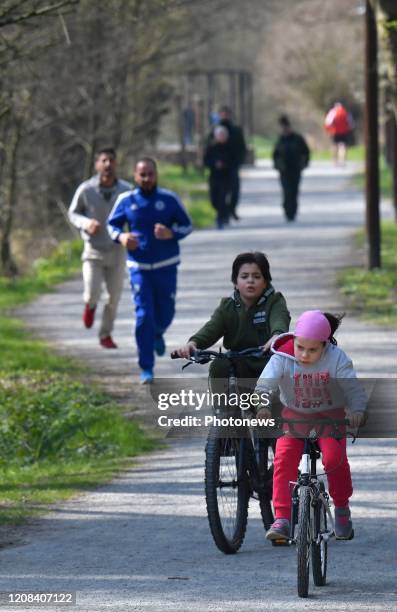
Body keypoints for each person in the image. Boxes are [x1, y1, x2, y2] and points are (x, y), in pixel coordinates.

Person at [254, 310, 367, 541]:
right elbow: (264, 386)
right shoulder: (282, 357)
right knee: (283, 459)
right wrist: (262, 406)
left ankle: (342, 509)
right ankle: (283, 518)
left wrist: (357, 411)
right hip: (295, 418)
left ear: (325, 345)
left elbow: (354, 389)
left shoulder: (337, 359)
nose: (304, 354)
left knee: (334, 460)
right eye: (300, 347)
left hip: (330, 418)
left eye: (313, 349)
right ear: (294, 340)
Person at [107, 157, 192, 384]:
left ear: (156, 175)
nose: (146, 179)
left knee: (166, 313)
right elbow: (111, 225)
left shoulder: (169, 199)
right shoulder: (126, 200)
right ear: (135, 176)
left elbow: (187, 225)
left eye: (150, 174)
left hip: (166, 266)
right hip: (139, 268)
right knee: (144, 315)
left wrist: (170, 233)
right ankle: (146, 367)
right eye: (142, 175)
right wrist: (122, 236)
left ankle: (157, 333)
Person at [174, 252, 290, 394]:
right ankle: (222, 412)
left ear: (266, 282)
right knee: (218, 365)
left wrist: (277, 336)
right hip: (237, 360)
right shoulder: (227, 306)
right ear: (235, 282)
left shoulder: (275, 301)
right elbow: (211, 328)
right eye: (244, 276)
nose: (250, 280)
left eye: (257, 276)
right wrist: (193, 343)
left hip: (266, 360)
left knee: (278, 376)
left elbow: (280, 319)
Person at [68, 146, 132, 349]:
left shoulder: (126, 190)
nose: (107, 164)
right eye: (103, 160)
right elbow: (73, 213)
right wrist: (85, 223)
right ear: (97, 164)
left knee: (114, 297)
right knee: (92, 292)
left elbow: (136, 215)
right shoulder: (86, 189)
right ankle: (90, 305)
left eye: (111, 160)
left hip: (117, 251)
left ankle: (105, 334)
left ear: (116, 164)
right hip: (93, 251)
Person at [207, 105, 247, 221]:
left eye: (226, 113)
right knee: (217, 194)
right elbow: (208, 150)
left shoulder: (236, 130)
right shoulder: (213, 130)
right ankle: (223, 212)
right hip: (216, 170)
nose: (224, 116)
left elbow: (241, 149)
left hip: (232, 166)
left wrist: (237, 162)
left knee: (234, 191)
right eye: (222, 113)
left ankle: (231, 209)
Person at [273, 115, 310, 222]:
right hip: (284, 171)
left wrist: (303, 164)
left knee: (294, 191)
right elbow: (275, 155)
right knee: (286, 191)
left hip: (296, 170)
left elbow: (306, 152)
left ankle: (293, 211)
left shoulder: (298, 139)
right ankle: (287, 210)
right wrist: (278, 166)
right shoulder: (280, 140)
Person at [203, 125, 233, 229]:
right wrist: (215, 164)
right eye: (219, 135)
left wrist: (224, 164)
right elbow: (205, 161)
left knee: (222, 198)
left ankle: (220, 219)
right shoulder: (211, 147)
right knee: (213, 200)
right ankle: (225, 213)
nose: (221, 137)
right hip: (214, 176)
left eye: (223, 135)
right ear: (216, 136)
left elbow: (234, 161)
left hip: (226, 177)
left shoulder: (230, 147)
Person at [324, 101, 354, 166]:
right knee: (343, 146)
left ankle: (335, 161)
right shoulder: (346, 112)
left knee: (335, 145)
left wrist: (329, 130)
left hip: (335, 131)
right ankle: (343, 161)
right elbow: (351, 124)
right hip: (344, 131)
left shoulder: (333, 112)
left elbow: (328, 122)